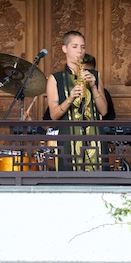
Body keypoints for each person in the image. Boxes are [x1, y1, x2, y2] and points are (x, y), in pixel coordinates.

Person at [46, 32, 109, 170]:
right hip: (68, 141)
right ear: (64, 49)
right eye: (75, 46)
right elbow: (54, 115)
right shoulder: (55, 79)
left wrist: (93, 87)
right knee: (70, 186)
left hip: (95, 139)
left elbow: (104, 111)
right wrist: (70, 98)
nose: (80, 51)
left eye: (82, 47)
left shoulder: (95, 76)